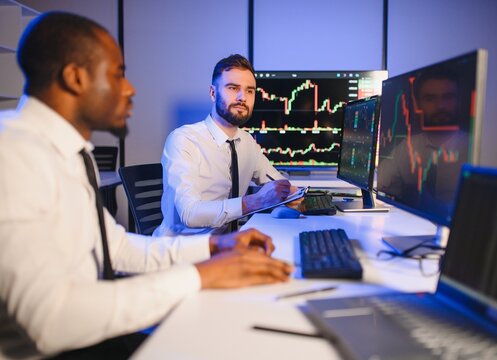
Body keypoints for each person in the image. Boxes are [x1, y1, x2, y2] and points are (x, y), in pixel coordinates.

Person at [0, 12, 292, 359]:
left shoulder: (69, 152)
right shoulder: (13, 151)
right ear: (75, 78)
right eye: (118, 74)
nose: (130, 88)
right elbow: (48, 322)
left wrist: (217, 248)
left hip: (94, 336)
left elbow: (116, 248)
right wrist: (200, 277)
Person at [154, 54, 297, 236]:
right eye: (233, 88)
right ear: (213, 93)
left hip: (226, 246)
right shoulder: (184, 140)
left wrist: (306, 196)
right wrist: (256, 201)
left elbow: (279, 184)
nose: (242, 97)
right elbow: (189, 214)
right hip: (183, 251)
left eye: (249, 91)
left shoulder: (247, 142)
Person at [377, 67, 470, 219]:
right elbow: (382, 186)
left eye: (448, 97)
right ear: (418, 103)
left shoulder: (474, 150)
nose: (440, 106)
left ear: (458, 100)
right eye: (430, 98)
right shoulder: (407, 148)